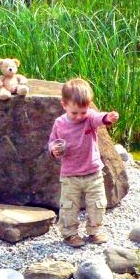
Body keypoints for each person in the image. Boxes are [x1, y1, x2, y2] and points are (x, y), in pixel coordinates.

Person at [48, 78, 119, 247]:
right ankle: (70, 234)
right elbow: (52, 141)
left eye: (83, 112)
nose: (79, 116)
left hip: (93, 172)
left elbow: (99, 118)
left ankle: (95, 230)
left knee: (97, 203)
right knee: (69, 206)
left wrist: (108, 117)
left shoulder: (89, 119)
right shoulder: (59, 123)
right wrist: (54, 150)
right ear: (64, 105)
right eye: (74, 113)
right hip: (70, 174)